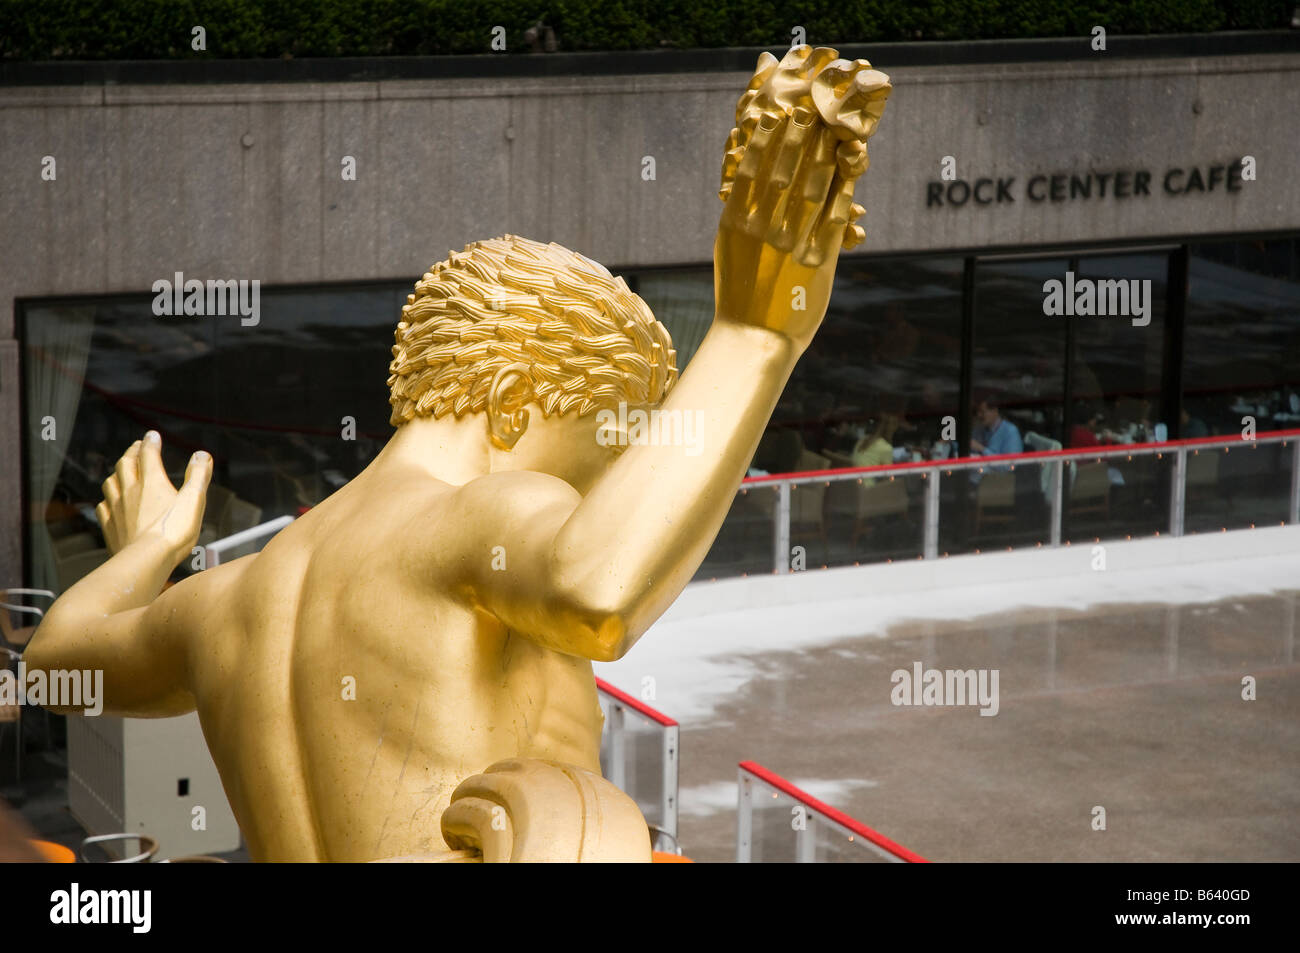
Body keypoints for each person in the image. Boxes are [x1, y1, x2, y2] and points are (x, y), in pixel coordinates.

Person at [23, 54, 889, 863]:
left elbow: (56, 664)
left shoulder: (224, 602)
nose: (597, 497)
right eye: (596, 459)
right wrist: (755, 337)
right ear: (513, 407)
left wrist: (151, 548)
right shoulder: (471, 521)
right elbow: (598, 590)